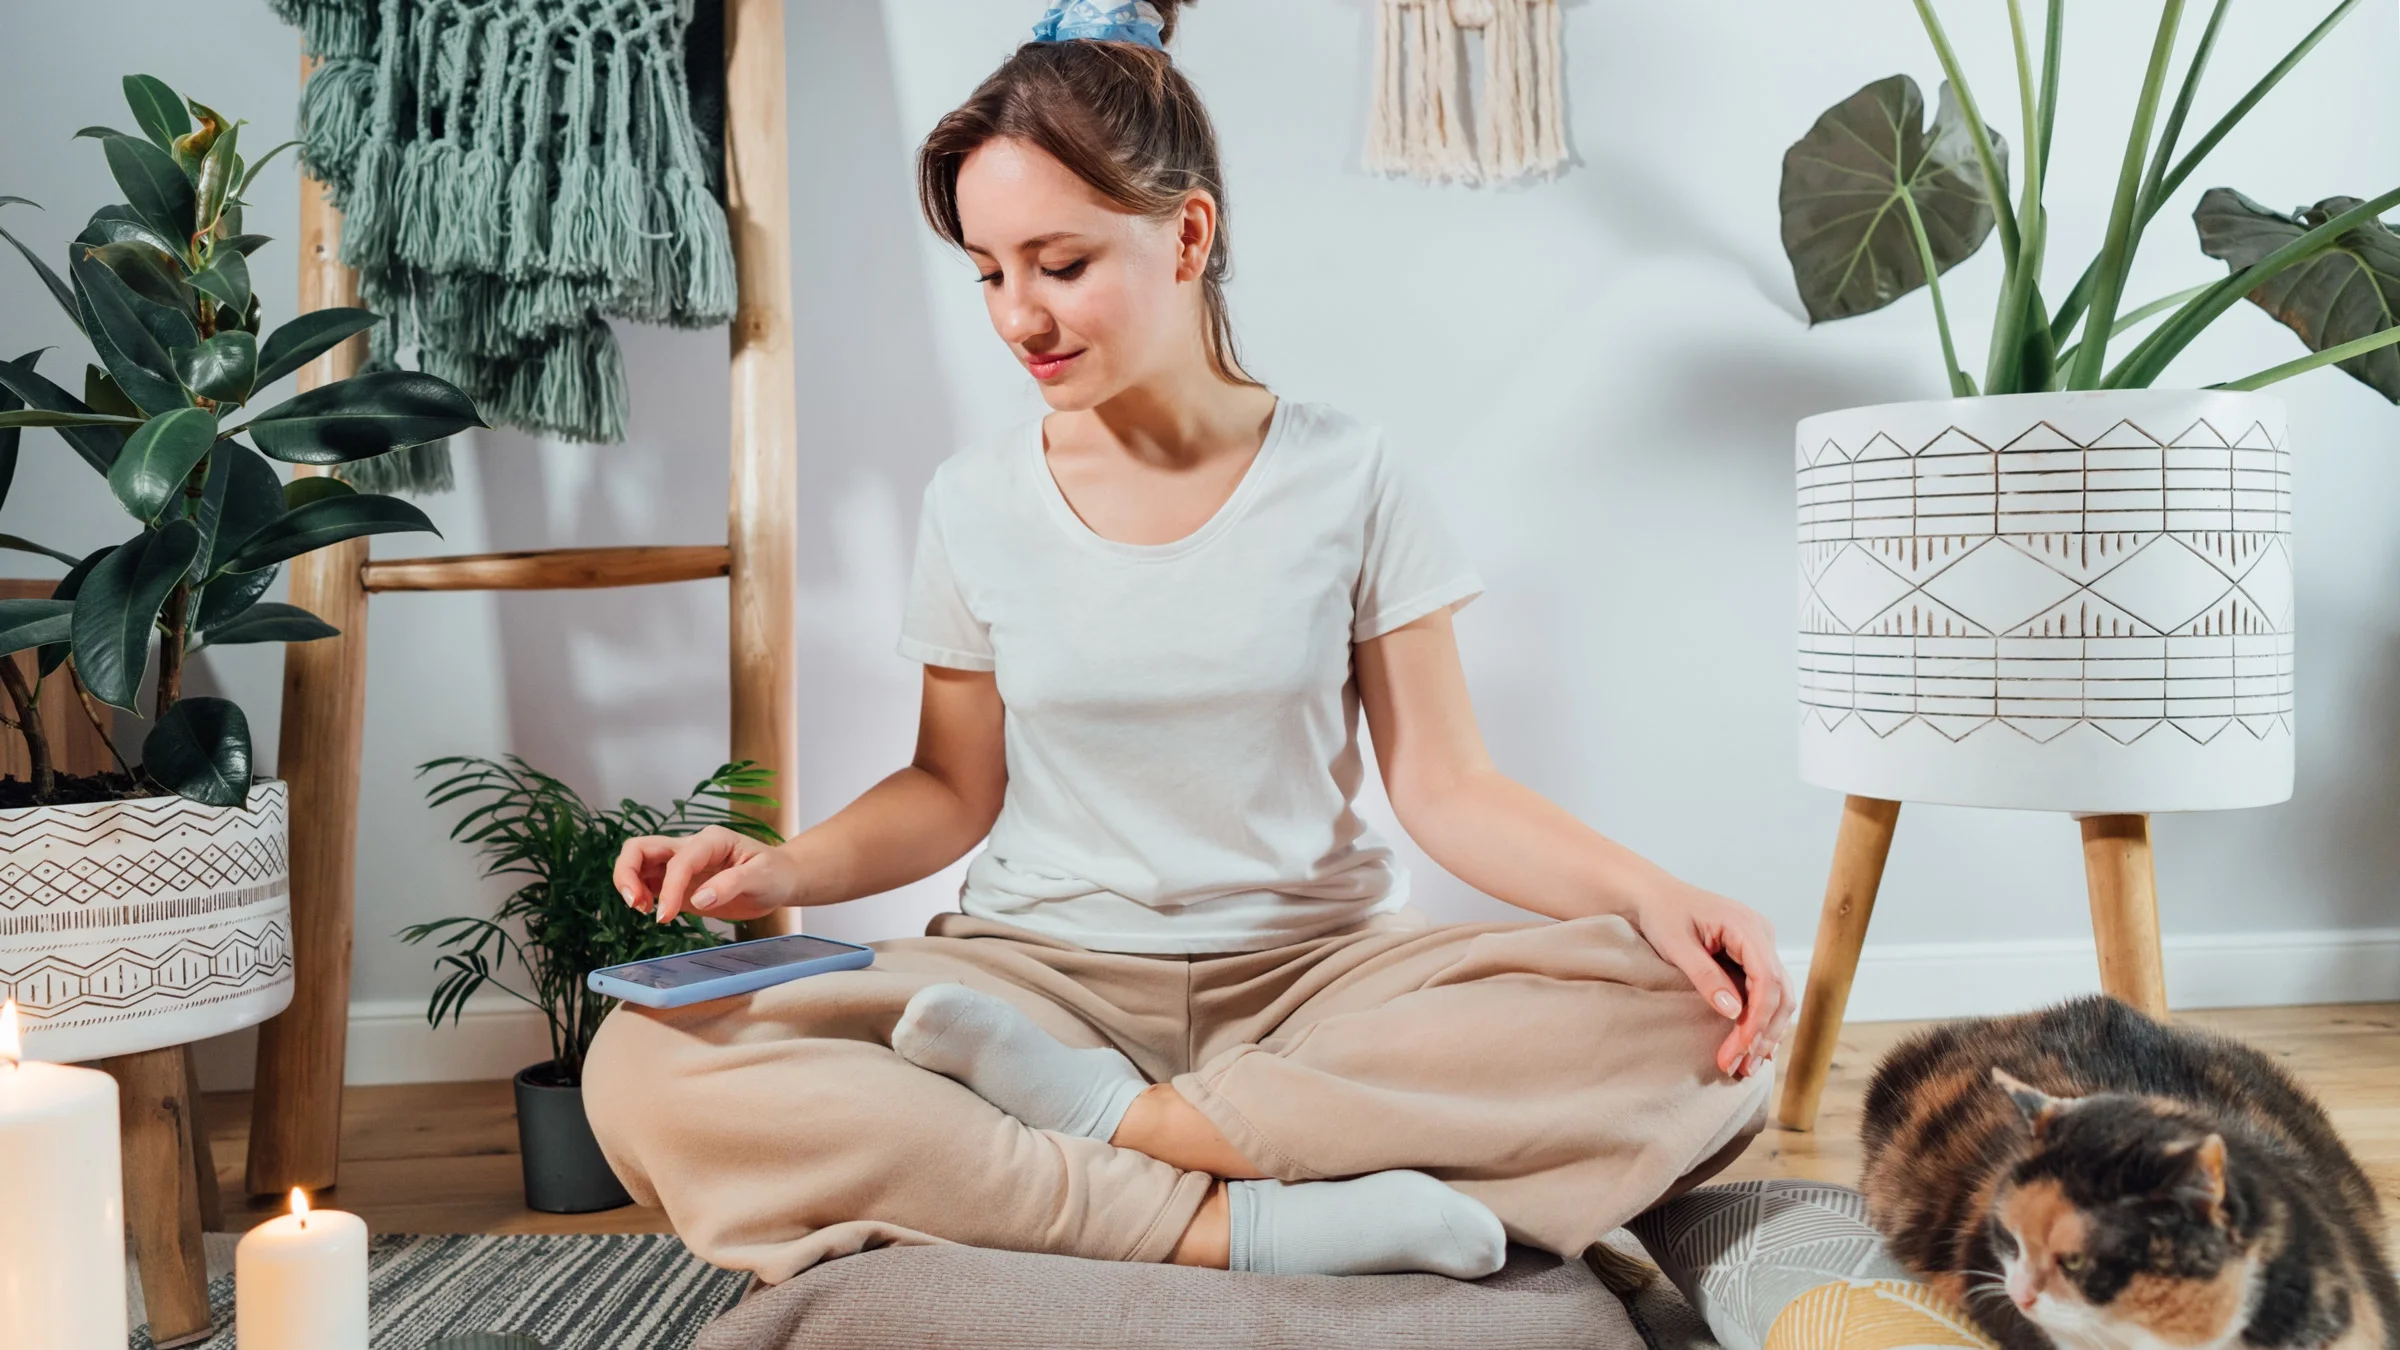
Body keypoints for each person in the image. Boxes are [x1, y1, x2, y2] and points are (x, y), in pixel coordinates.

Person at [583, 0, 1787, 1286]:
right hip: (1034, 984)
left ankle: (1137, 1133)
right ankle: (1234, 1217)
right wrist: (779, 872)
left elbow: (1447, 785)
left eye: (1059, 263)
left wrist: (1661, 899)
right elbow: (950, 786)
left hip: (1317, 986)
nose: (1018, 317)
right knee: (647, 1067)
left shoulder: (1351, 473)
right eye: (989, 271)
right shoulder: (975, 501)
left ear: (1187, 235)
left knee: (1701, 1031)